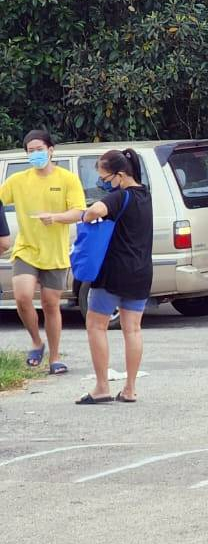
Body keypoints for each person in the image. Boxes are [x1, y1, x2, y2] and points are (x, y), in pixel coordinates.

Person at [0, 130, 86, 375]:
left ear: (50, 150)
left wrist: (56, 218)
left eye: (39, 149)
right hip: (26, 249)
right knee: (22, 297)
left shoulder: (67, 179)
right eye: (30, 151)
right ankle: (36, 342)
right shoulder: (18, 180)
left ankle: (55, 358)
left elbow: (79, 211)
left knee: (50, 305)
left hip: (55, 253)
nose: (35, 154)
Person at [74, 149, 152, 405]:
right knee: (133, 329)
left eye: (105, 178)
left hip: (113, 272)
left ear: (119, 175)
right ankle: (130, 389)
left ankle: (101, 387)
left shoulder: (120, 196)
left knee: (96, 326)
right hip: (141, 273)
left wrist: (85, 215)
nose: (103, 183)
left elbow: (96, 210)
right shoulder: (145, 196)